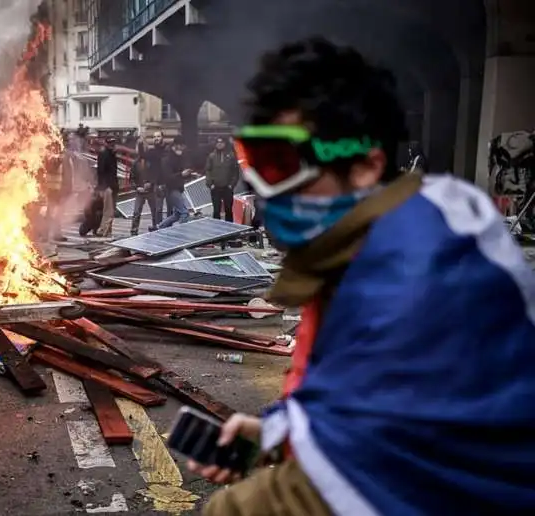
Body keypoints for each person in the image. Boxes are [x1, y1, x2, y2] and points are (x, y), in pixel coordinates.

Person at [190, 37, 535, 515]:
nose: (266, 191)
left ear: (365, 165)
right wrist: (274, 431)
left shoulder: (417, 278)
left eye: (284, 165)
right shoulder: (368, 244)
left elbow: (369, 478)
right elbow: (350, 393)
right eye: (257, 164)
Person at [157, 136, 191, 229]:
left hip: (178, 188)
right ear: (177, 146)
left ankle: (159, 227)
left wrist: (188, 174)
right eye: (182, 146)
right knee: (184, 213)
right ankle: (182, 233)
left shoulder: (180, 156)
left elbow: (181, 171)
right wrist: (181, 174)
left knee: (177, 214)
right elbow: (167, 177)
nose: (184, 149)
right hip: (171, 189)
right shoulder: (167, 158)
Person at [205, 137, 240, 221]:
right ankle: (217, 231)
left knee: (228, 209)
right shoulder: (211, 156)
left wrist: (232, 184)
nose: (219, 144)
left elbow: (235, 171)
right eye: (218, 142)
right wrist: (210, 184)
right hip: (215, 187)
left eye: (221, 142)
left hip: (227, 187)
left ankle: (230, 230)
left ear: (225, 144)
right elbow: (208, 170)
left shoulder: (231, 156)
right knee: (216, 211)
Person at [129, 153, 160, 235]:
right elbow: (132, 178)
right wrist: (137, 187)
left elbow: (156, 175)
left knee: (155, 210)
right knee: (136, 211)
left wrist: (151, 183)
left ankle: (156, 227)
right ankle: (134, 230)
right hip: (140, 191)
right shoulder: (135, 163)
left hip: (151, 191)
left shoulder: (152, 162)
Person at [96, 137, 119, 237]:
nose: (112, 144)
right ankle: (102, 230)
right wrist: (104, 187)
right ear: (106, 143)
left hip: (112, 185)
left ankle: (108, 231)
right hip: (108, 187)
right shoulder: (104, 154)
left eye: (113, 142)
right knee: (108, 210)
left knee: (111, 210)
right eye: (110, 143)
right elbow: (100, 172)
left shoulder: (111, 154)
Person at [144, 131, 168, 228]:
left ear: (162, 137)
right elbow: (148, 168)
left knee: (171, 208)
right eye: (154, 137)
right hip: (157, 184)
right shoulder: (151, 152)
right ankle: (158, 227)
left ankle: (167, 227)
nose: (156, 138)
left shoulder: (167, 151)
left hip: (168, 182)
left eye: (158, 136)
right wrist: (149, 181)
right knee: (158, 209)